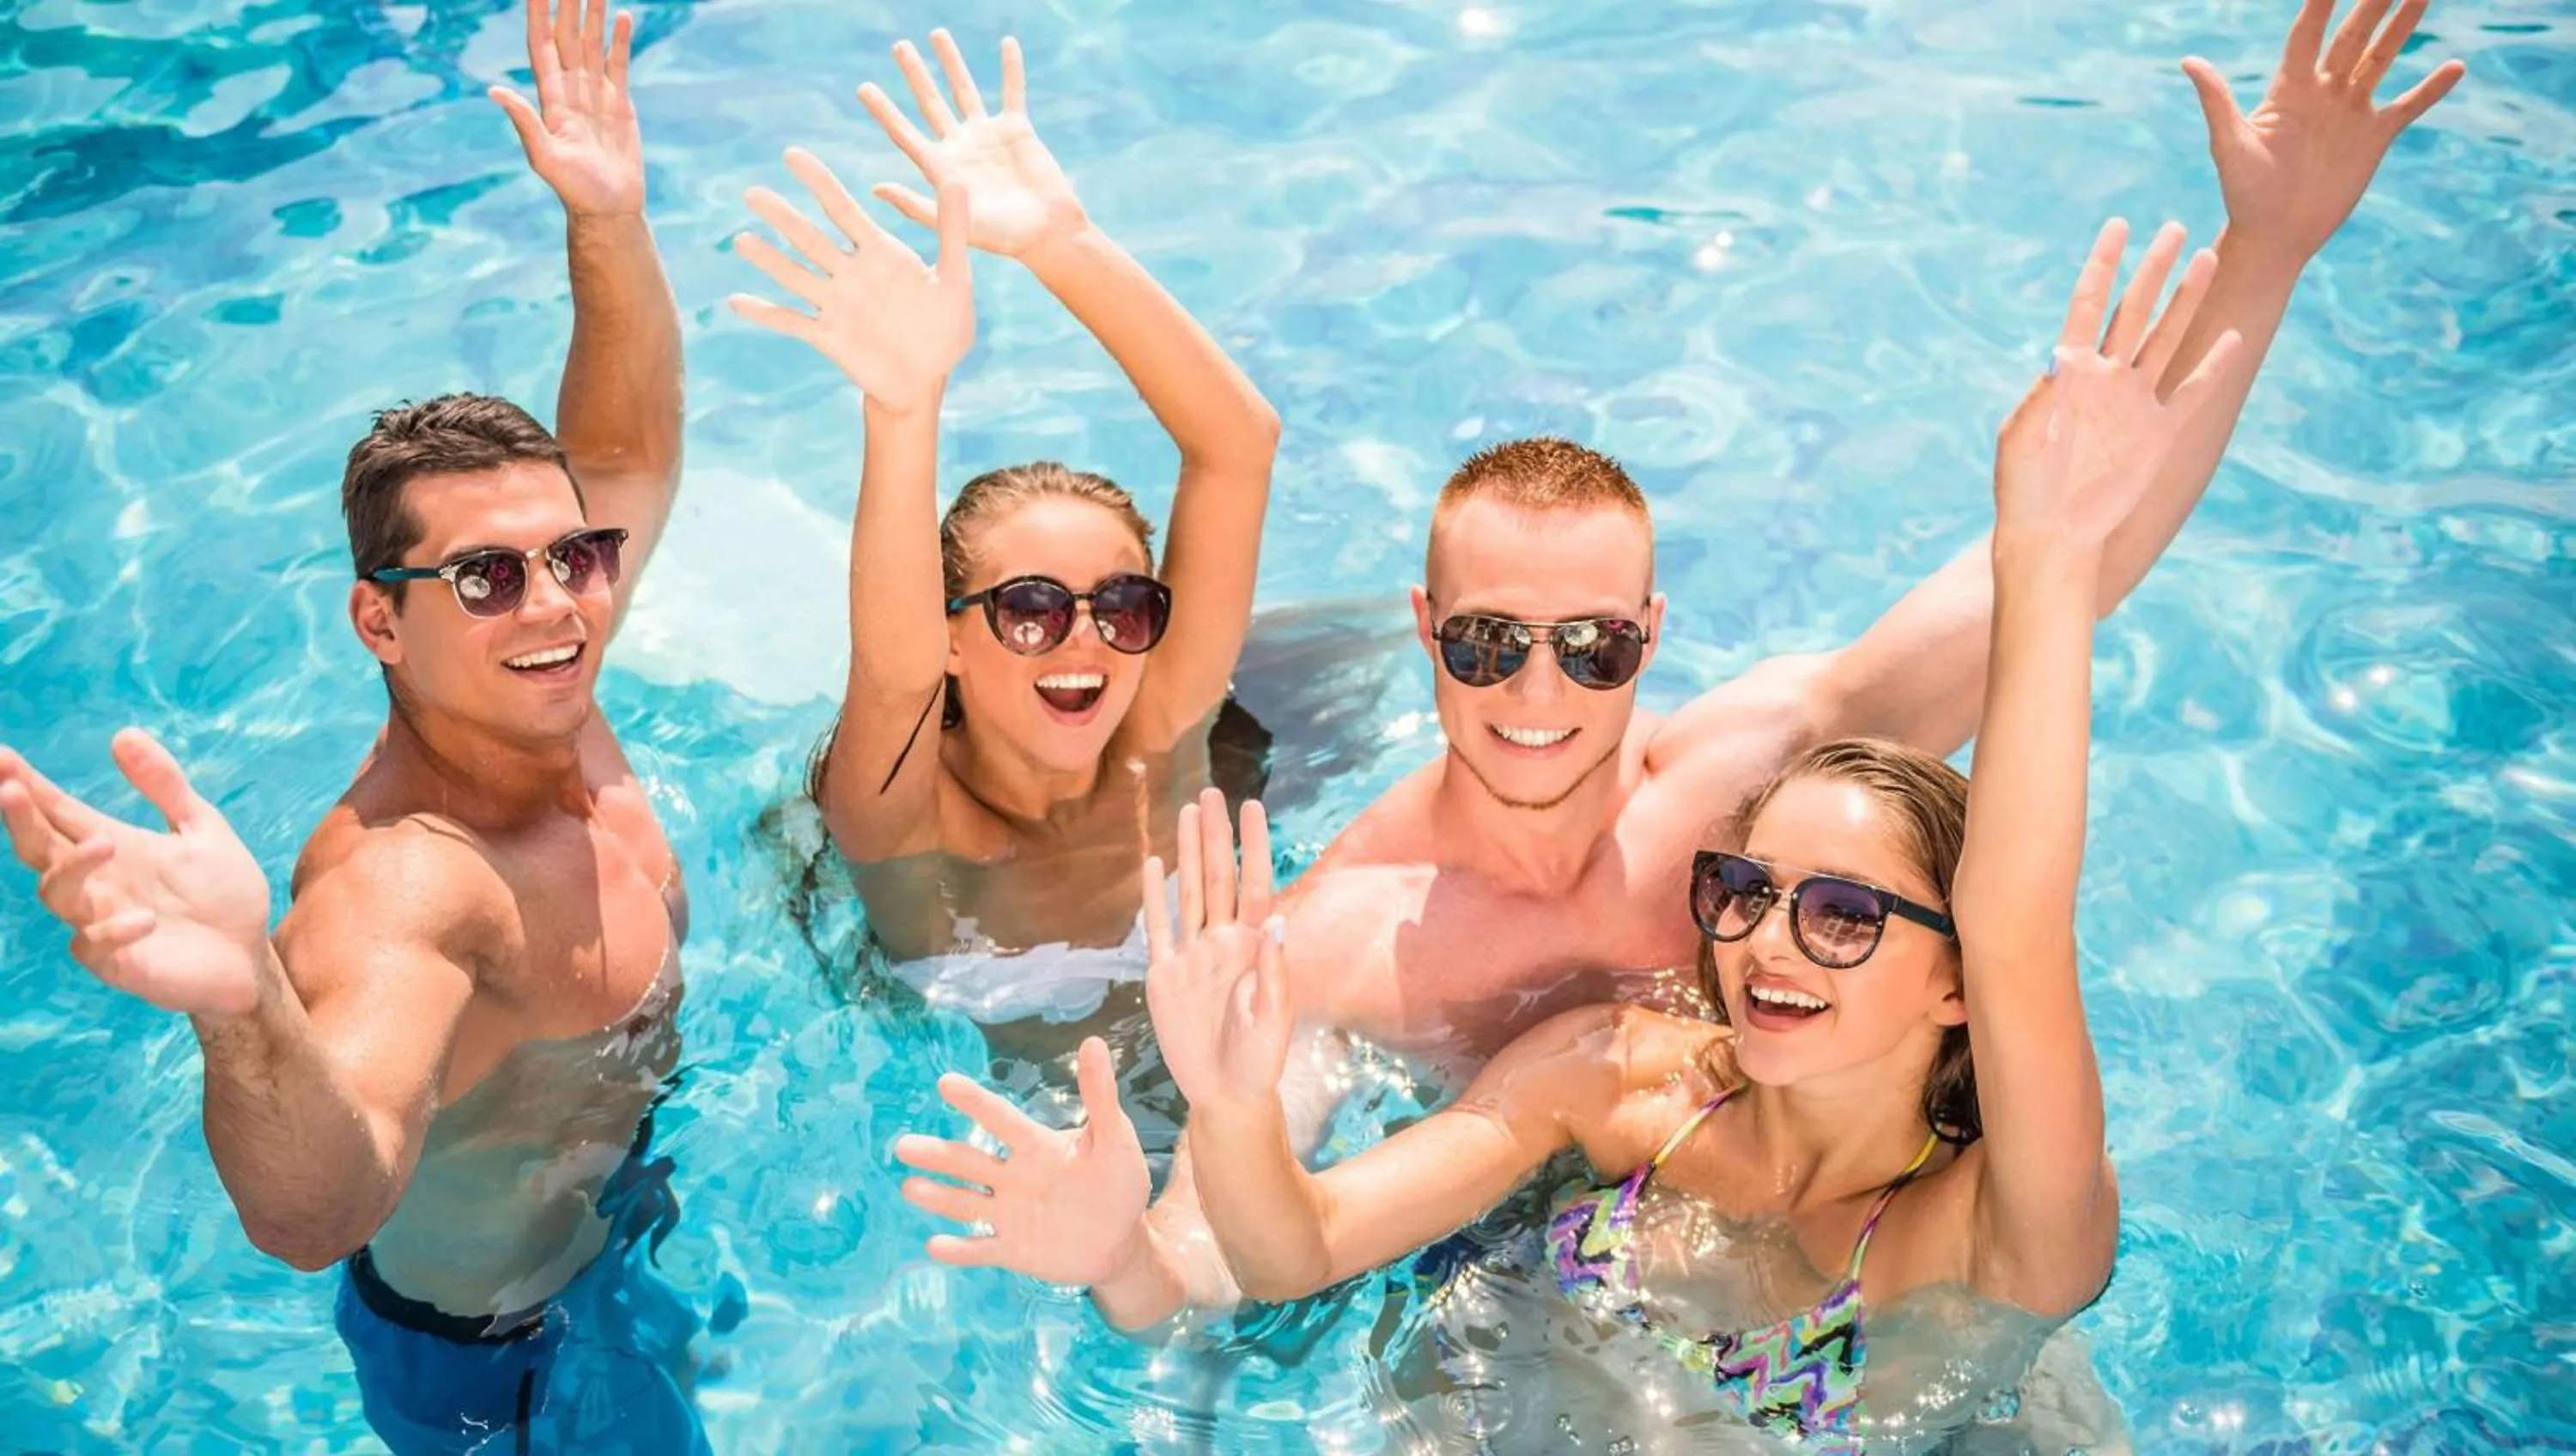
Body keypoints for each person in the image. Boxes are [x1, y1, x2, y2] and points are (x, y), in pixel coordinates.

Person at [890, 0, 2467, 1332]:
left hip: (1826, 1197)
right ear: (1430, 637)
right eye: (1492, 642)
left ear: (1650, 640)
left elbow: (2073, 564)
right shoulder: (1346, 939)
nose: (1536, 693)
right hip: (1527, 1249)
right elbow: (1230, 1251)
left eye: (1588, 648)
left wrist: (2271, 252)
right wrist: (1123, 1252)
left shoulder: (1767, 766)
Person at [1142, 225, 2235, 1448]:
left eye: (1843, 917)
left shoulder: (1997, 1229)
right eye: (1745, 892)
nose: (1769, 944)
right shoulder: (1613, 1076)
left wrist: (2049, 549)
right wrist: (1229, 1110)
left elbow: (2024, 902)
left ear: (1957, 983)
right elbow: (1295, 1245)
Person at [0, 3, 701, 1450]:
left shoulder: (541, 671)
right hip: (495, 1361)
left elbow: (621, 453)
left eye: (574, 557)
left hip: (615, 1216)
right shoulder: (413, 888)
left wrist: (612, 225)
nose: (558, 601)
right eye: (488, 576)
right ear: (381, 620)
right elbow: (319, 1208)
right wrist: (245, 1004)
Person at [729, 29, 1281, 1024]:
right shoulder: (904, 819)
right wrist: (903, 406)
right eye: (1030, 608)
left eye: (1122, 604)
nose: (1084, 637)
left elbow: (1238, 447)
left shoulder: (1160, 730)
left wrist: (1059, 241)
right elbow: (892, 676)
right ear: (950, 635)